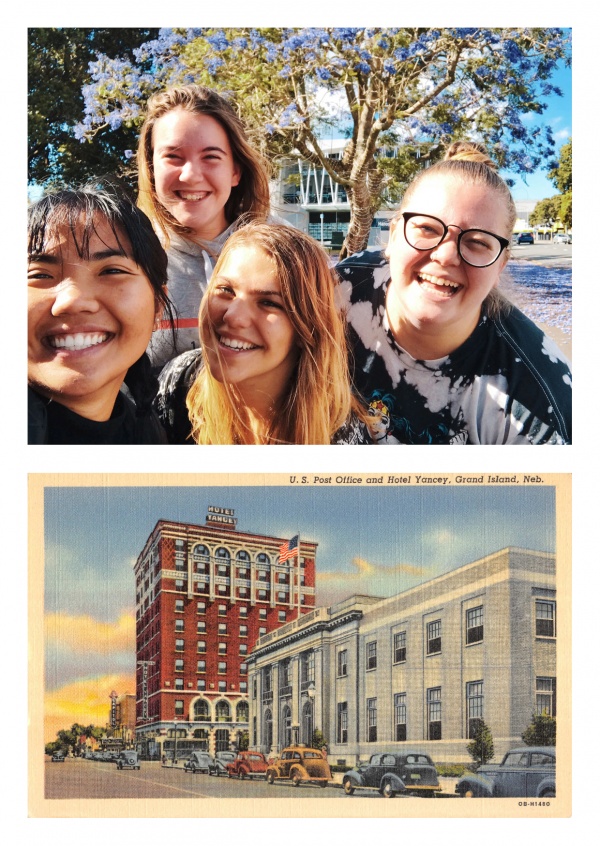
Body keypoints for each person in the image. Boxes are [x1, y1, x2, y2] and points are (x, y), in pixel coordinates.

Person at [336, 141, 572, 444]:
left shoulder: (538, 402)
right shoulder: (340, 289)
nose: (446, 256)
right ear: (394, 236)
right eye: (427, 229)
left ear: (500, 265)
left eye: (477, 241)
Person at [155, 222, 369, 444]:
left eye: (269, 303)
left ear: (307, 327)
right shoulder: (178, 382)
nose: (233, 316)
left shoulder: (340, 438)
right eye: (226, 290)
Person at [137, 84, 272, 368]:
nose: (191, 175)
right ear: (151, 168)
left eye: (211, 157)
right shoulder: (127, 259)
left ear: (235, 171)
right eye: (173, 157)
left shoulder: (281, 254)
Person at [28, 186, 174, 444]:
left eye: (111, 271)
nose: (72, 301)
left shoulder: (149, 432)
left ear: (157, 307)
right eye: (40, 275)